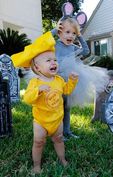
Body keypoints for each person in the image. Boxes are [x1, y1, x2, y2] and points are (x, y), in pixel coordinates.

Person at [11, 32, 79, 174]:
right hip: (41, 120)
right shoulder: (34, 83)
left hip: (57, 119)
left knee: (59, 139)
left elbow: (66, 91)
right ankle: (36, 165)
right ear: (37, 68)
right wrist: (38, 91)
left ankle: (62, 159)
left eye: (55, 60)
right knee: (39, 142)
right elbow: (28, 99)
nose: (54, 62)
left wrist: (72, 81)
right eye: (48, 60)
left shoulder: (59, 80)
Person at [51, 15, 109, 140]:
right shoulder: (54, 45)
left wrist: (80, 36)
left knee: (67, 107)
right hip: (56, 79)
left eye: (73, 33)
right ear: (60, 32)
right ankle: (57, 133)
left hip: (69, 80)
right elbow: (44, 41)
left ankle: (66, 130)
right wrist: (54, 30)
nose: (71, 36)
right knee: (58, 107)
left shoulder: (73, 47)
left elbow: (86, 51)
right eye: (67, 32)